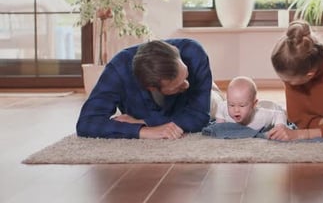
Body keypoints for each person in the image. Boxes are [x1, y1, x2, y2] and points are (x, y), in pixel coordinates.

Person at [76, 38, 216, 139]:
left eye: (186, 75)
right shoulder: (119, 69)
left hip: (209, 97)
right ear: (151, 88)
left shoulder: (194, 52)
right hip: (171, 110)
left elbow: (199, 116)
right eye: (178, 86)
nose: (187, 84)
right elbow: (87, 122)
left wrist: (143, 122)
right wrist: (144, 131)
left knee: (223, 106)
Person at [215, 76, 287, 131]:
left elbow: (279, 114)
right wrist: (220, 123)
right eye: (231, 105)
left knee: (286, 114)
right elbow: (221, 107)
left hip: (270, 106)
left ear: (254, 104)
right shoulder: (224, 108)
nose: (236, 110)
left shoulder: (262, 116)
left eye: (242, 106)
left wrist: (279, 127)